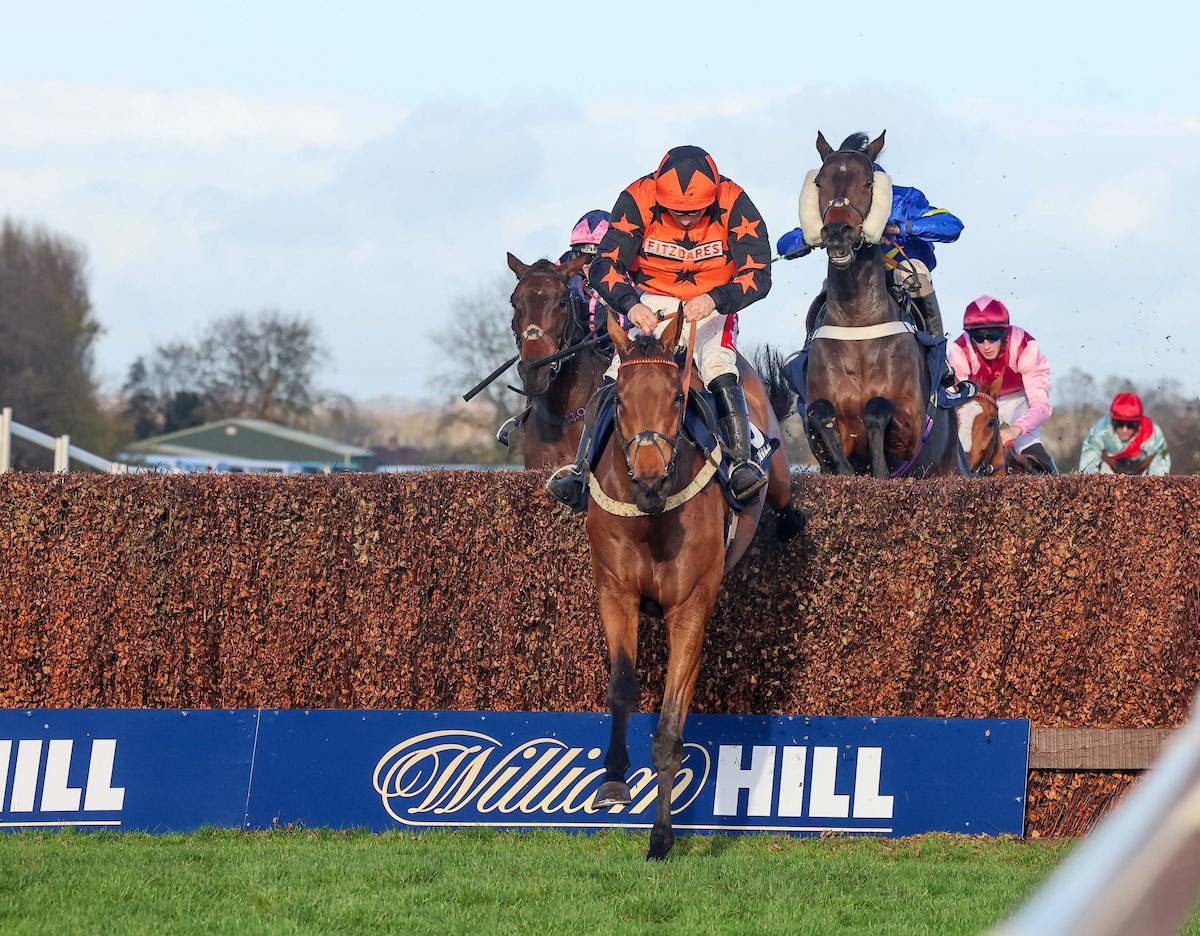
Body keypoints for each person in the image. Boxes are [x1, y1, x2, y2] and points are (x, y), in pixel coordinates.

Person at [546, 144, 773, 510]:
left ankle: (741, 465)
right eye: (676, 213)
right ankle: (581, 468)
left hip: (714, 301)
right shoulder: (637, 197)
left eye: (695, 213)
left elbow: (759, 275)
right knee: (618, 371)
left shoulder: (735, 202)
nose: (685, 221)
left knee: (717, 363)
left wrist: (715, 299)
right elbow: (605, 266)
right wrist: (631, 305)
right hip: (653, 297)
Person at [776, 133, 963, 343]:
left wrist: (900, 228)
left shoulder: (904, 198)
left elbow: (952, 225)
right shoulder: (837, 206)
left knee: (915, 274)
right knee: (828, 287)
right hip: (854, 277)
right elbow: (784, 246)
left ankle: (936, 350)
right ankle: (809, 352)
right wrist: (811, 236)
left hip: (899, 276)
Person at [497, 211, 613, 448]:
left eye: (596, 256)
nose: (588, 264)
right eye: (582, 254)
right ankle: (527, 418)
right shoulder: (555, 275)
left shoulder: (628, 273)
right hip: (571, 350)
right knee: (539, 359)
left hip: (616, 346)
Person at [947, 295, 1057, 470]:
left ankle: (1054, 482)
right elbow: (956, 403)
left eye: (993, 336)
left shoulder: (1024, 345)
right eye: (978, 337)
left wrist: (1016, 429)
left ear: (1005, 332)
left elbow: (1042, 407)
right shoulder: (959, 350)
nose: (986, 345)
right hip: (977, 403)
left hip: (1018, 401)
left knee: (1029, 442)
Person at [1079, 393, 1170, 475]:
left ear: (1139, 422)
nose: (1124, 429)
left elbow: (1161, 457)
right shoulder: (1101, 429)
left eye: (1131, 425)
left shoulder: (1152, 431)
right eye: (1119, 423)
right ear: (1112, 420)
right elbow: (1089, 455)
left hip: (1141, 468)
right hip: (1110, 467)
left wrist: (1155, 485)